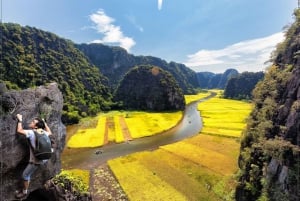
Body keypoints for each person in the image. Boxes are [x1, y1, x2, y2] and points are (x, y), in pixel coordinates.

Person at [15, 114, 52, 199]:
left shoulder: (31, 133)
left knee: (25, 175)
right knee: (29, 172)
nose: (31, 122)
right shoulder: (44, 132)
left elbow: (19, 130)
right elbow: (50, 132)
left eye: (33, 122)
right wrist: (45, 123)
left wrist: (20, 120)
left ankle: (24, 192)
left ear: (36, 126)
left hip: (36, 160)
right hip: (45, 157)